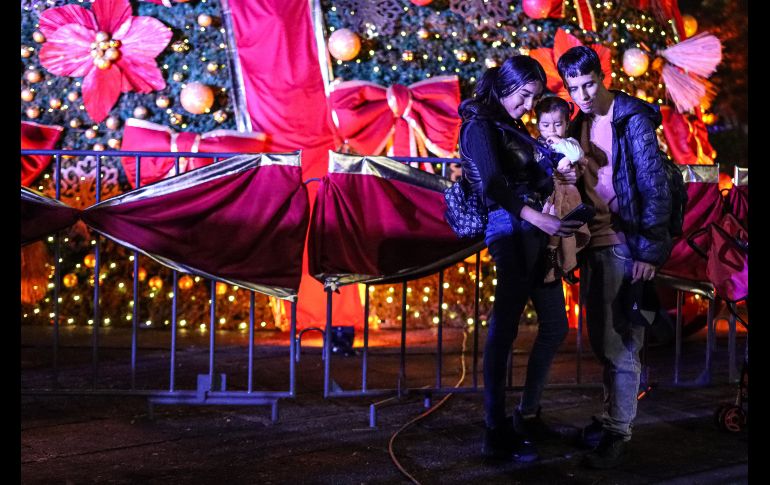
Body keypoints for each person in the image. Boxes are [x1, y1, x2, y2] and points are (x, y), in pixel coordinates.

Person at [457, 56, 583, 462]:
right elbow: (493, 185)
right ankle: (495, 429)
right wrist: (536, 216)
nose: (530, 106)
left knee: (555, 324)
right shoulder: (479, 124)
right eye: (525, 96)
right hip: (511, 228)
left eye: (534, 98)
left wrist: (557, 178)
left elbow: (525, 175)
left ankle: (526, 415)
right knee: (505, 326)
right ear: (505, 85)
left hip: (534, 227)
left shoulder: (509, 123)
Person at [556, 46, 673, 469]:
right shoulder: (579, 123)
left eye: (589, 84)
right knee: (603, 340)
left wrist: (650, 249)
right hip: (594, 241)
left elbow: (653, 185)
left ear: (602, 76)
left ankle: (618, 430)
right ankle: (611, 420)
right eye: (574, 88)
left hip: (625, 241)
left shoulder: (630, 118)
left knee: (621, 341)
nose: (583, 95)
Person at [533, 96, 591, 284]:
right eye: (545, 125)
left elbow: (577, 154)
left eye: (558, 124)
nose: (551, 130)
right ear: (538, 125)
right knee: (551, 223)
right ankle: (551, 255)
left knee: (567, 230)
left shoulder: (569, 143)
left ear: (567, 124)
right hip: (547, 195)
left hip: (566, 196)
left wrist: (558, 142)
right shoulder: (537, 146)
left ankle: (566, 263)